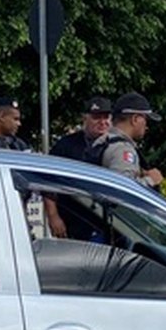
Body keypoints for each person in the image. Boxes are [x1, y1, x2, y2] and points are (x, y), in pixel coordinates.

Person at [45, 97, 113, 239]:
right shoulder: (66, 145)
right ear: (85, 118)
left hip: (108, 224)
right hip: (73, 224)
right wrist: (53, 216)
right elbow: (47, 182)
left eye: (106, 117)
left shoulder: (115, 147)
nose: (102, 122)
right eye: (96, 117)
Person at [87, 92, 164, 189]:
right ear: (135, 119)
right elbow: (123, 190)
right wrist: (151, 180)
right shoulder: (122, 150)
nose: (146, 127)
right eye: (145, 120)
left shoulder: (104, 141)